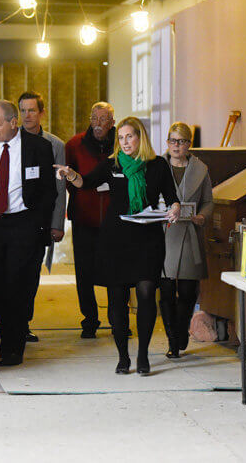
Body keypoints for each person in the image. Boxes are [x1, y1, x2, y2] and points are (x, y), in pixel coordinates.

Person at [55, 117, 180, 375]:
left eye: (129, 137)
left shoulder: (157, 165)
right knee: (117, 302)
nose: (124, 142)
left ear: (140, 137)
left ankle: (143, 354)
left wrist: (175, 209)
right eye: (120, 138)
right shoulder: (111, 165)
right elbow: (85, 183)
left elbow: (172, 198)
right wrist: (70, 174)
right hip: (115, 240)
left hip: (147, 240)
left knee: (146, 293)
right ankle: (123, 356)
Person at [0, 100, 56, 366]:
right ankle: (7, 337)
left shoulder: (39, 147)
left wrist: (41, 224)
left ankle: (14, 345)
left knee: (18, 285)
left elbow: (49, 191)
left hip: (24, 224)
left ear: (12, 122)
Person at [159, 123, 213, 358]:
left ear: (189, 144)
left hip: (190, 233)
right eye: (172, 141)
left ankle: (181, 330)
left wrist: (203, 216)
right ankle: (173, 339)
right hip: (164, 235)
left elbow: (209, 201)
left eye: (180, 141)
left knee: (189, 291)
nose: (176, 146)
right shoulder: (157, 166)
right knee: (167, 290)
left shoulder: (200, 169)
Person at [17, 91, 66, 343]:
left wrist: (57, 224)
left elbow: (59, 189)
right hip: (13, 222)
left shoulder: (55, 146)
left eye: (32, 110)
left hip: (38, 223)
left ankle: (23, 323)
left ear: (41, 113)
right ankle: (12, 323)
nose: (27, 115)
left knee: (30, 274)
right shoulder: (9, 142)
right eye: (23, 110)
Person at [64, 102, 115, 338]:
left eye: (103, 119)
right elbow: (69, 180)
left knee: (117, 270)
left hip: (115, 218)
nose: (97, 124)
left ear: (112, 122)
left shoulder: (121, 144)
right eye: (94, 118)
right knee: (84, 272)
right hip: (84, 216)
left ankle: (118, 318)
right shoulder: (75, 145)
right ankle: (90, 320)